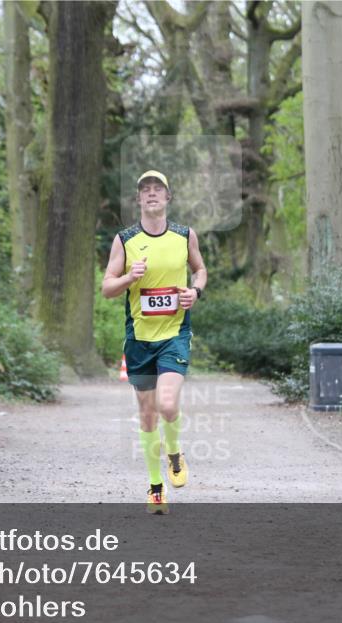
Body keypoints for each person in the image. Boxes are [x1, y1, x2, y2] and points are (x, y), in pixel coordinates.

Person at [101, 170, 208, 514]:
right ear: (138, 199)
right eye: (145, 190)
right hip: (139, 340)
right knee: (147, 416)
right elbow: (106, 288)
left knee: (166, 404)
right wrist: (128, 277)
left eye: (157, 189)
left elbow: (200, 270)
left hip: (175, 335)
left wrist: (195, 291)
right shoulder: (125, 240)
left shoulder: (184, 235)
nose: (151, 194)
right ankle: (156, 487)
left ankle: (174, 454)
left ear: (167, 197)